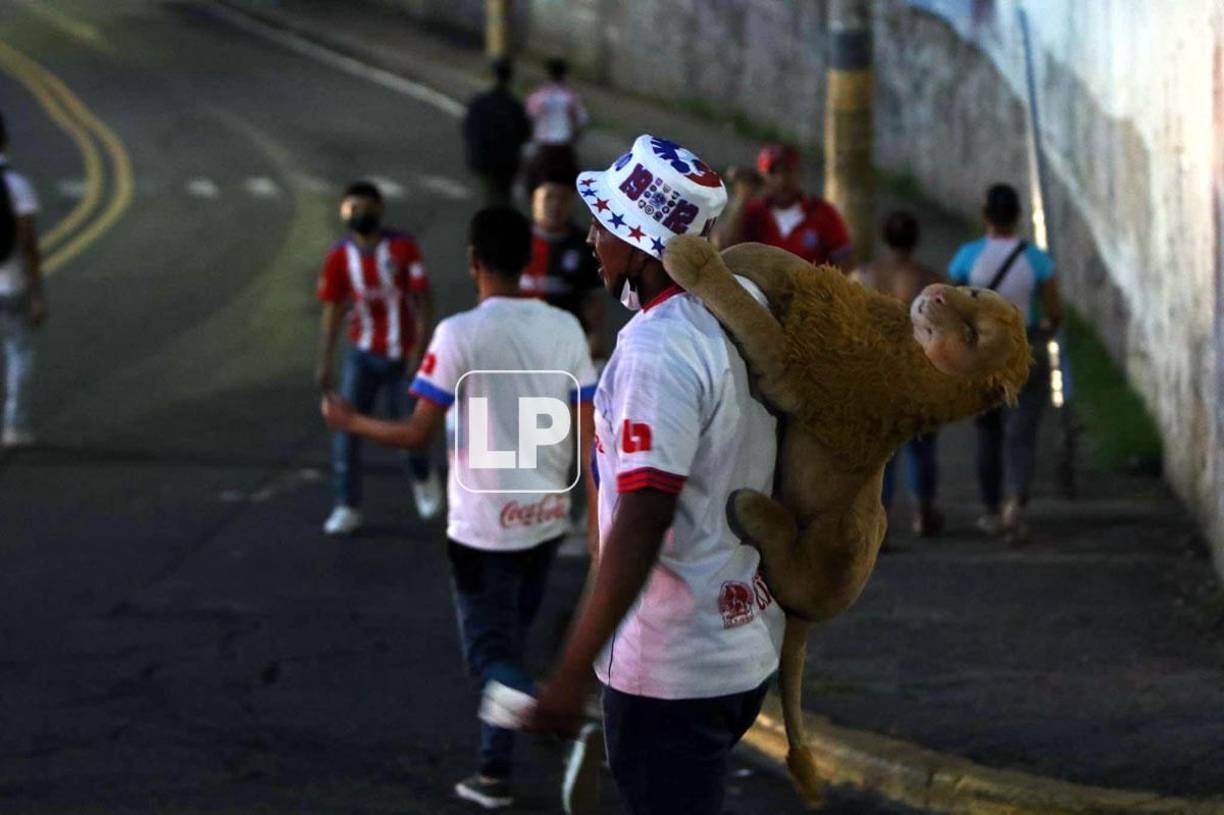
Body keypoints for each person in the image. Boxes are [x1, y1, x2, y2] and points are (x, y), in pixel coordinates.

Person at [526, 134, 784, 815]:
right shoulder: (736, 313)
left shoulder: (655, 350)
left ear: (641, 245)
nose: (588, 238)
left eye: (605, 224)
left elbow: (643, 516)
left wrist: (572, 671)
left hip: (670, 670)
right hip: (741, 646)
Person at [322, 206, 598, 810]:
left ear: (473, 261)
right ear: (527, 260)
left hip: (482, 531)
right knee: (510, 646)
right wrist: (594, 512)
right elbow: (588, 433)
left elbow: (417, 433)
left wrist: (352, 421)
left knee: (492, 657)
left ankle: (571, 726)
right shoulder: (566, 330)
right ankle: (493, 772)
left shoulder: (458, 334)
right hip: (547, 519)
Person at [315, 180, 439, 535]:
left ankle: (421, 475)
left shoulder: (402, 247)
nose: (359, 215)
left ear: (381, 210)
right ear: (342, 212)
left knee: (409, 427)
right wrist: (324, 357)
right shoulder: (339, 255)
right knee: (345, 426)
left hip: (403, 356)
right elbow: (334, 307)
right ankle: (347, 504)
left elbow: (422, 300)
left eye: (366, 208)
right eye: (352, 208)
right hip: (363, 354)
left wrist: (420, 349)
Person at [948, 183, 1062, 542]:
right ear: (1017, 216)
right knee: (1022, 433)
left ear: (986, 216)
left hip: (983, 354)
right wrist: (1041, 329)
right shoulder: (1036, 259)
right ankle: (1016, 505)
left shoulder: (967, 257)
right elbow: (1055, 312)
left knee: (988, 432)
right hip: (1024, 348)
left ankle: (991, 510)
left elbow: (952, 308)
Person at [852, 210, 943, 537]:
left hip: (876, 373)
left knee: (881, 459)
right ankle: (923, 512)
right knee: (922, 448)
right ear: (915, 239)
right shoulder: (930, 281)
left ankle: (882, 524)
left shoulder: (863, 276)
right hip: (916, 373)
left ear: (883, 237)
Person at [713, 142, 853, 271]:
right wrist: (742, 199)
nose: (782, 180)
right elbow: (723, 249)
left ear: (799, 173)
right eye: (773, 173)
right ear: (762, 177)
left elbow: (845, 261)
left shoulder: (822, 212)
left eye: (788, 171)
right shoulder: (754, 212)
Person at [521, 179, 607, 361]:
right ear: (534, 201)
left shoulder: (586, 245)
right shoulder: (515, 238)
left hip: (566, 341)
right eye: (549, 197)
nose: (555, 205)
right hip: (519, 337)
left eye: (563, 199)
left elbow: (593, 298)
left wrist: (595, 336)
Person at [0, 111, 44, 449]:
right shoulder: (17, 185)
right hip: (10, 284)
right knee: (18, 351)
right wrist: (37, 293)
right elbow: (28, 245)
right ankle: (14, 425)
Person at [462, 58, 532, 207]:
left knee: (489, 195)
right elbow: (525, 133)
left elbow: (468, 128)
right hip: (507, 162)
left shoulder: (480, 103)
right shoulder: (514, 106)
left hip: (485, 159)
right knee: (503, 196)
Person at [523, 58, 588, 194]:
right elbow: (581, 121)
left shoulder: (539, 96)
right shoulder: (571, 97)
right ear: (564, 75)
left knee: (532, 184)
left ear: (548, 74)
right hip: (564, 148)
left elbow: (528, 118)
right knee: (570, 188)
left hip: (544, 148)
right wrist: (573, 140)